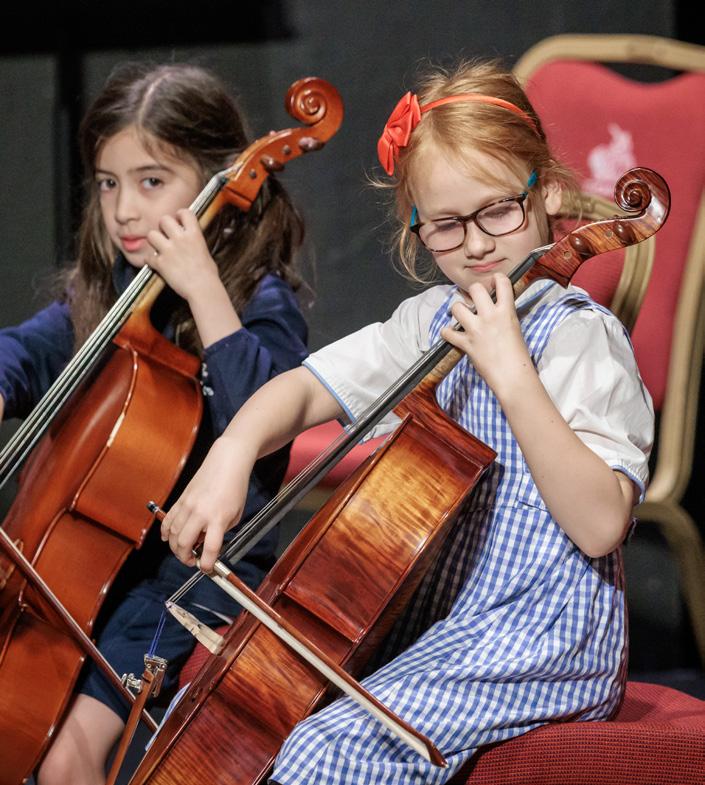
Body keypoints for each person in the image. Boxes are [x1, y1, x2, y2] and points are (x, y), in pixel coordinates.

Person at [161, 58, 654, 785]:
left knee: (326, 751)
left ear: (546, 191)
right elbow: (302, 390)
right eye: (446, 226)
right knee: (238, 711)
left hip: (540, 638)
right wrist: (229, 454)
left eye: (498, 211)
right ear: (415, 228)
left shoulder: (580, 337)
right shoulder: (430, 322)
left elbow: (600, 524)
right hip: (442, 618)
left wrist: (513, 376)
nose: (477, 245)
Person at [0, 62, 308, 785]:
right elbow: (26, 349)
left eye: (151, 181)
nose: (124, 210)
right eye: (108, 184)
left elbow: (266, 411)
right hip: (85, 571)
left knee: (69, 757)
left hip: (185, 576)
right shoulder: (112, 293)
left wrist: (203, 290)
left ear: (217, 182)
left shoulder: (259, 300)